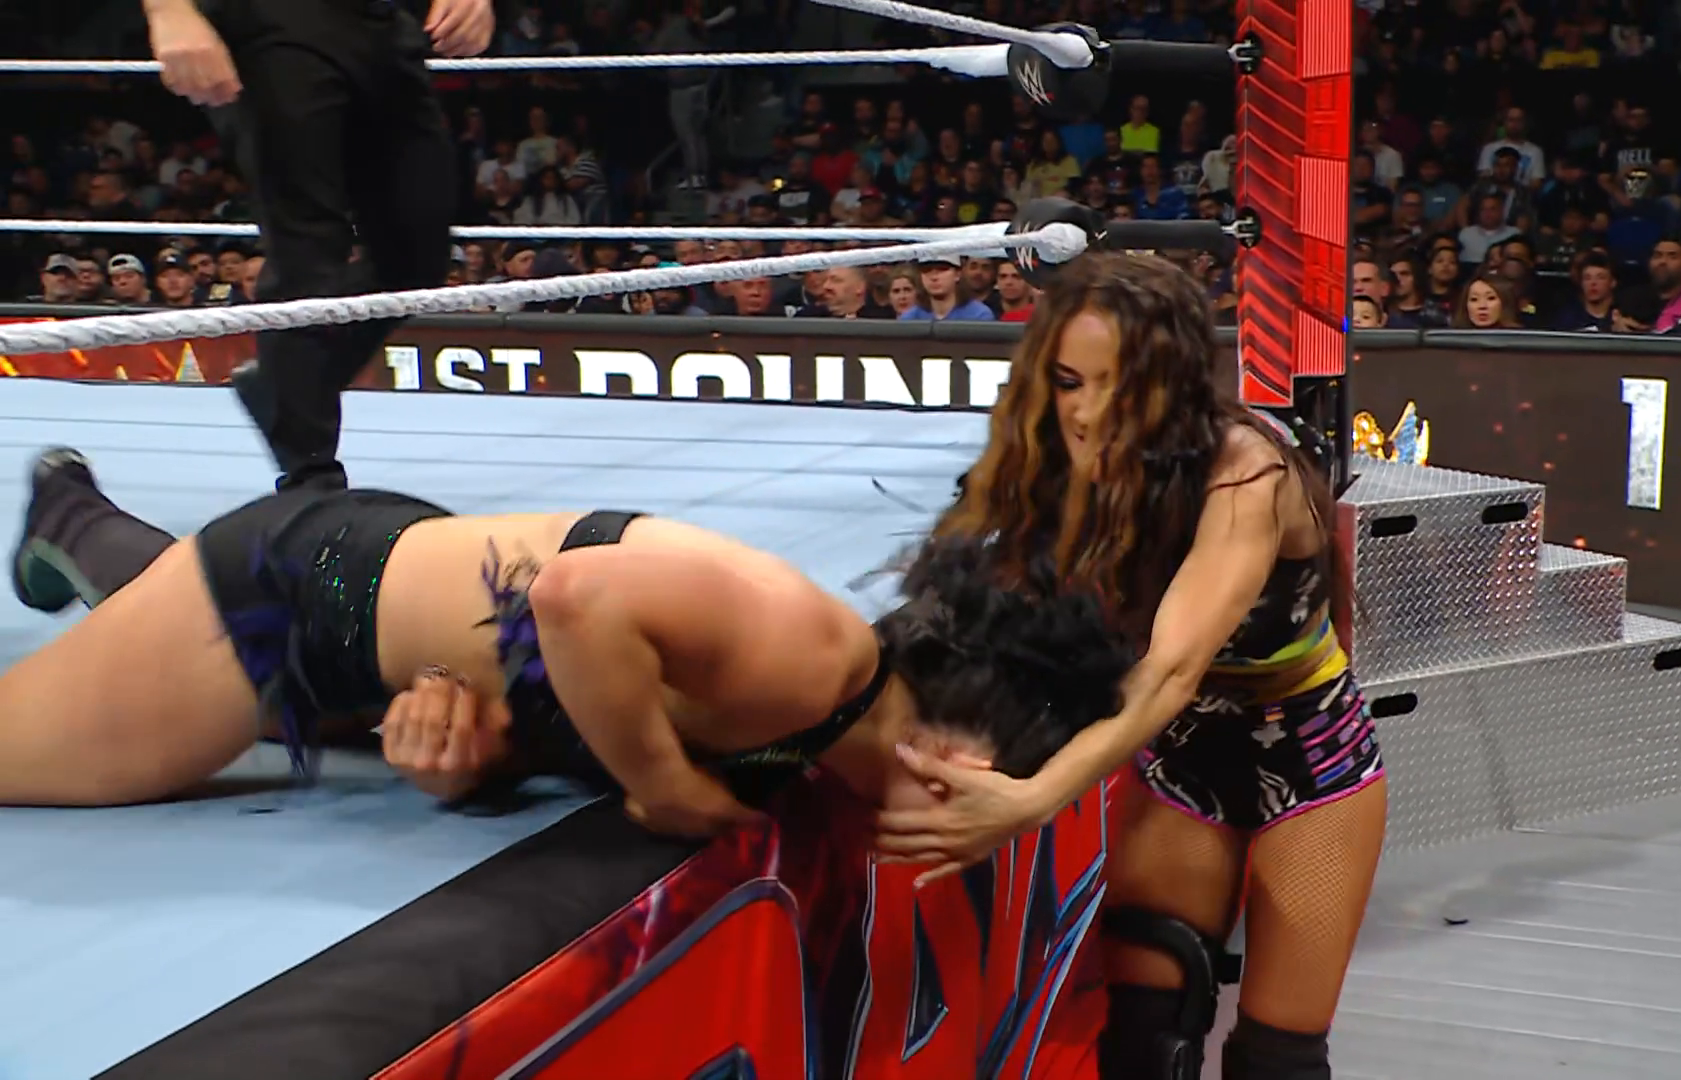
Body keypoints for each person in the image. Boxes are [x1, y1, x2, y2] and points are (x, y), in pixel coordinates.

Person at [1, 448, 1132, 834]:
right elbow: (577, 598)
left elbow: (563, 674)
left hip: (388, 615)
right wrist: (663, 788)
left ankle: (69, 515)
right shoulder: (811, 658)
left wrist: (481, 759)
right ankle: (73, 520)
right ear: (961, 761)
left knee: (146, 656)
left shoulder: (820, 732)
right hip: (297, 597)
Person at [873, 254, 1385, 1080]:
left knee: (1275, 1063)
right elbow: (992, 611)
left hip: (1310, 757)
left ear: (1171, 384)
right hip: (1181, 756)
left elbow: (1170, 669)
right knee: (1144, 1042)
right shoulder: (1050, 458)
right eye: (1069, 381)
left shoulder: (1242, 471)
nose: (1087, 412)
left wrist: (1032, 798)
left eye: (1118, 385)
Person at [140, 0, 493, 492]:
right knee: (305, 250)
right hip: (271, 23)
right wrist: (168, 10)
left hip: (381, 25)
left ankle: (282, 388)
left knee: (417, 252)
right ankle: (311, 478)